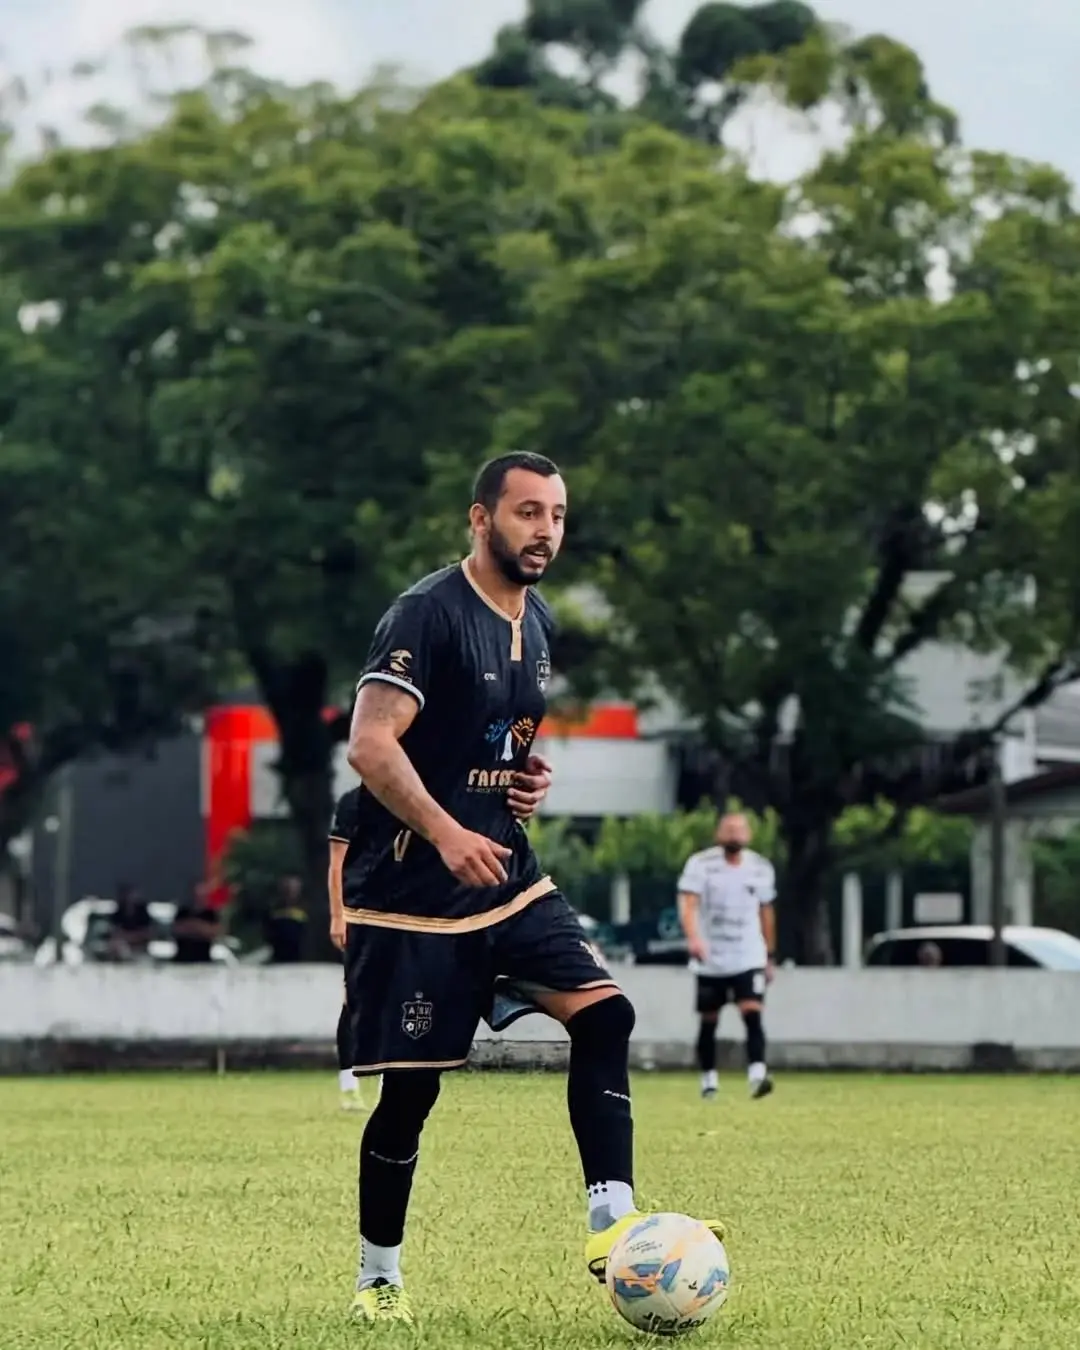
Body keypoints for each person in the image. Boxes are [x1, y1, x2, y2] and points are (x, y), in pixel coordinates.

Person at [341, 451, 725, 1323]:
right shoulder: (427, 614)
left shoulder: (539, 621)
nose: (545, 530)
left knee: (606, 1012)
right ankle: (378, 1278)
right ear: (480, 520)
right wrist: (445, 831)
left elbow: (493, 740)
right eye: (526, 513)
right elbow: (370, 745)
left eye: (555, 514)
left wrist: (521, 783)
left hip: (507, 876)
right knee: (412, 1093)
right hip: (411, 891)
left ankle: (613, 1223)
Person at [677, 812, 777, 1101]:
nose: (734, 834)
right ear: (719, 833)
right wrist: (694, 938)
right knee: (710, 1019)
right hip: (712, 955)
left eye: (740, 829)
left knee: (752, 1011)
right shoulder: (701, 865)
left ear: (748, 834)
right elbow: (688, 904)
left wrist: (769, 954)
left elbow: (766, 912)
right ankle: (709, 1080)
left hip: (748, 954)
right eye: (729, 829)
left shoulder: (760, 867)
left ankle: (757, 1074)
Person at [329, 785, 368, 1112]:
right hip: (360, 913)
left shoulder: (415, 799)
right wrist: (338, 914)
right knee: (354, 998)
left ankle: (390, 1080)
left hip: (402, 911)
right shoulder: (352, 803)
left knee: (399, 997)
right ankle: (348, 1084)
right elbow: (337, 864)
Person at [172, 880, 223, 963]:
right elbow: (177, 930)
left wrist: (194, 926)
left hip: (203, 959)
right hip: (182, 959)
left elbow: (214, 932)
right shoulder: (183, 912)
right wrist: (200, 929)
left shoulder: (210, 914)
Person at [264, 875, 309, 963]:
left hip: (299, 958)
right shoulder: (274, 909)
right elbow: (268, 931)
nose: (290, 891)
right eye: (287, 888)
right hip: (278, 957)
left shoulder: (304, 909)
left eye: (293, 888)